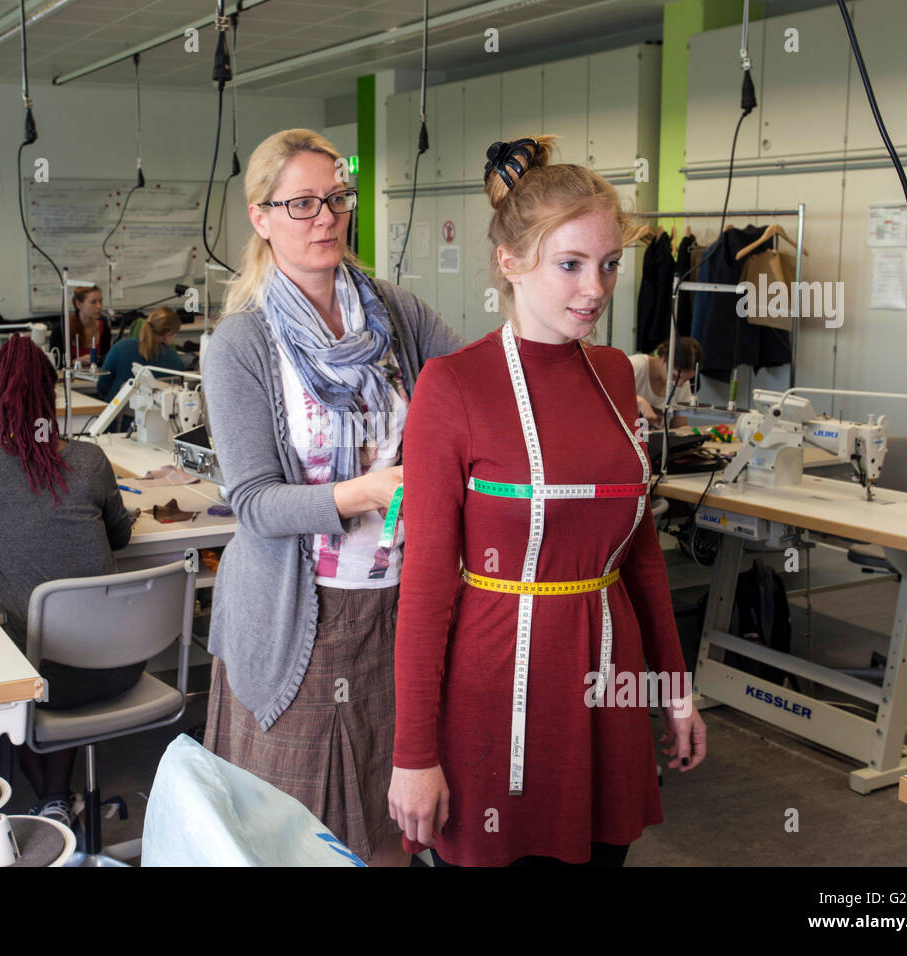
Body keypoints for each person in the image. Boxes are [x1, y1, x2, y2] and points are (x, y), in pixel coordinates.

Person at [388, 136, 707, 867]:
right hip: (498, 690)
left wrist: (675, 690)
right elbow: (428, 586)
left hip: (606, 683)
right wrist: (413, 755)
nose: (593, 289)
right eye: (569, 264)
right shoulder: (454, 386)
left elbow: (642, 559)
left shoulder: (614, 376)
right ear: (511, 262)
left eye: (608, 264)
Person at [201, 128, 462, 867]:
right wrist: (364, 492)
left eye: (337, 199)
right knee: (293, 837)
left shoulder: (394, 313)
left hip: (399, 602)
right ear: (261, 216)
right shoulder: (242, 344)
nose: (326, 218)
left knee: (392, 825)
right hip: (301, 621)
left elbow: (472, 381)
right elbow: (253, 504)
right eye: (302, 203)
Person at [0, 335, 139, 826]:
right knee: (46, 651)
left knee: (10, 658)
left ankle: (52, 802)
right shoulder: (89, 460)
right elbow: (119, 538)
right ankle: (57, 800)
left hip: (50, 681)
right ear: (53, 393)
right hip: (122, 664)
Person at [95, 306, 184, 400]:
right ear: (169, 334)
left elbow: (102, 388)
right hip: (156, 414)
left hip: (118, 412)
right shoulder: (176, 361)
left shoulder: (120, 347)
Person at [628, 337, 702, 428]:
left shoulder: (683, 384)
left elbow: (679, 426)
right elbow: (607, 395)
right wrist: (639, 401)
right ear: (664, 360)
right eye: (675, 376)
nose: (680, 384)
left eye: (687, 379)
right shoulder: (634, 366)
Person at [69, 285, 108, 366]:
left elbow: (107, 361)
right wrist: (74, 362)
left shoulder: (104, 328)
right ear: (78, 304)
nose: (99, 306)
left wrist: (98, 360)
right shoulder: (63, 329)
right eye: (93, 302)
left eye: (100, 301)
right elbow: (54, 364)